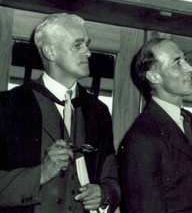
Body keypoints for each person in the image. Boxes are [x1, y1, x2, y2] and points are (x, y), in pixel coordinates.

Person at [0, 13, 120, 212]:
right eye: (78, 45)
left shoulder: (98, 111)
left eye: (87, 44)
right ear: (50, 51)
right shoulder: (8, 106)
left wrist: (105, 193)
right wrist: (41, 174)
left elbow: (112, 177)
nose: (88, 52)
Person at [118, 38, 192, 213]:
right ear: (154, 77)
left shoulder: (188, 120)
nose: (190, 68)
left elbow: (188, 196)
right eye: (177, 63)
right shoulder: (142, 137)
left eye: (185, 59)